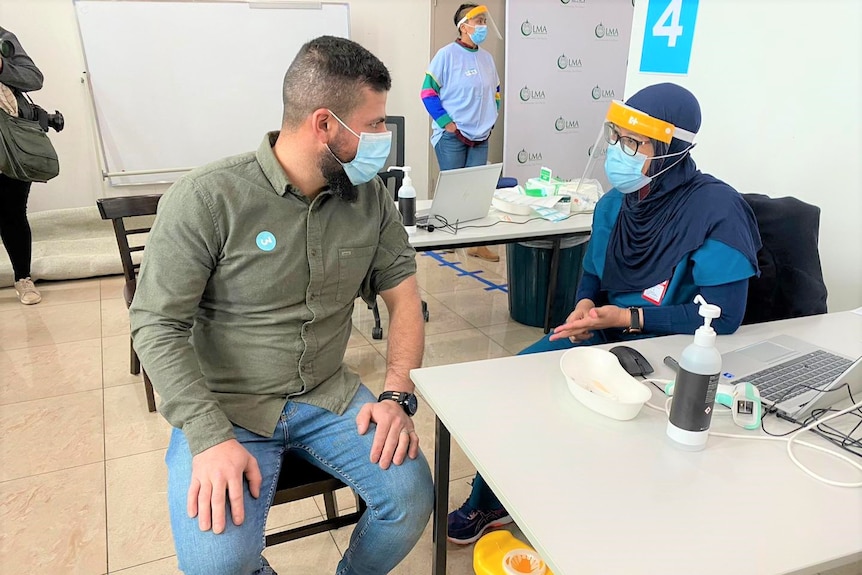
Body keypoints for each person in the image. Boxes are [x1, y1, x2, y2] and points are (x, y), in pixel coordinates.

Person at [129, 36, 433, 575]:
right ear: (325, 124)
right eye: (376, 123)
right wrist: (208, 436)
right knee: (215, 566)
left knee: (411, 501)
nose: (385, 137)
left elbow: (405, 298)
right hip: (227, 407)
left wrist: (396, 396)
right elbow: (156, 325)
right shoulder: (208, 198)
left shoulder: (370, 199)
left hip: (328, 395)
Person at [447, 83, 762, 545]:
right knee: (517, 380)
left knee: (614, 429)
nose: (620, 152)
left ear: (671, 149)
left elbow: (726, 316)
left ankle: (592, 515)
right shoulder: (616, 203)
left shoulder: (715, 210)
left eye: (635, 143)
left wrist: (628, 321)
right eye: (616, 137)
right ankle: (491, 498)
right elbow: (593, 275)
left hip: (672, 354)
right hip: (607, 334)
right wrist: (585, 307)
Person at [421, 3, 502, 262]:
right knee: (453, 190)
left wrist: (492, 117)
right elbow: (427, 92)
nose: (483, 26)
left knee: (476, 191)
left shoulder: (487, 59)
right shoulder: (446, 55)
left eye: (484, 21)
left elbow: (496, 92)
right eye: (478, 21)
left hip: (481, 136)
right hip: (452, 135)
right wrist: (447, 123)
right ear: (463, 26)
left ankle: (476, 243)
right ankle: (448, 240)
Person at [0, 26, 44, 305]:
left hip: (11, 140)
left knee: (12, 212)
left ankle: (23, 278)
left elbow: (34, 79)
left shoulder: (4, 38)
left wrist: (3, 66)